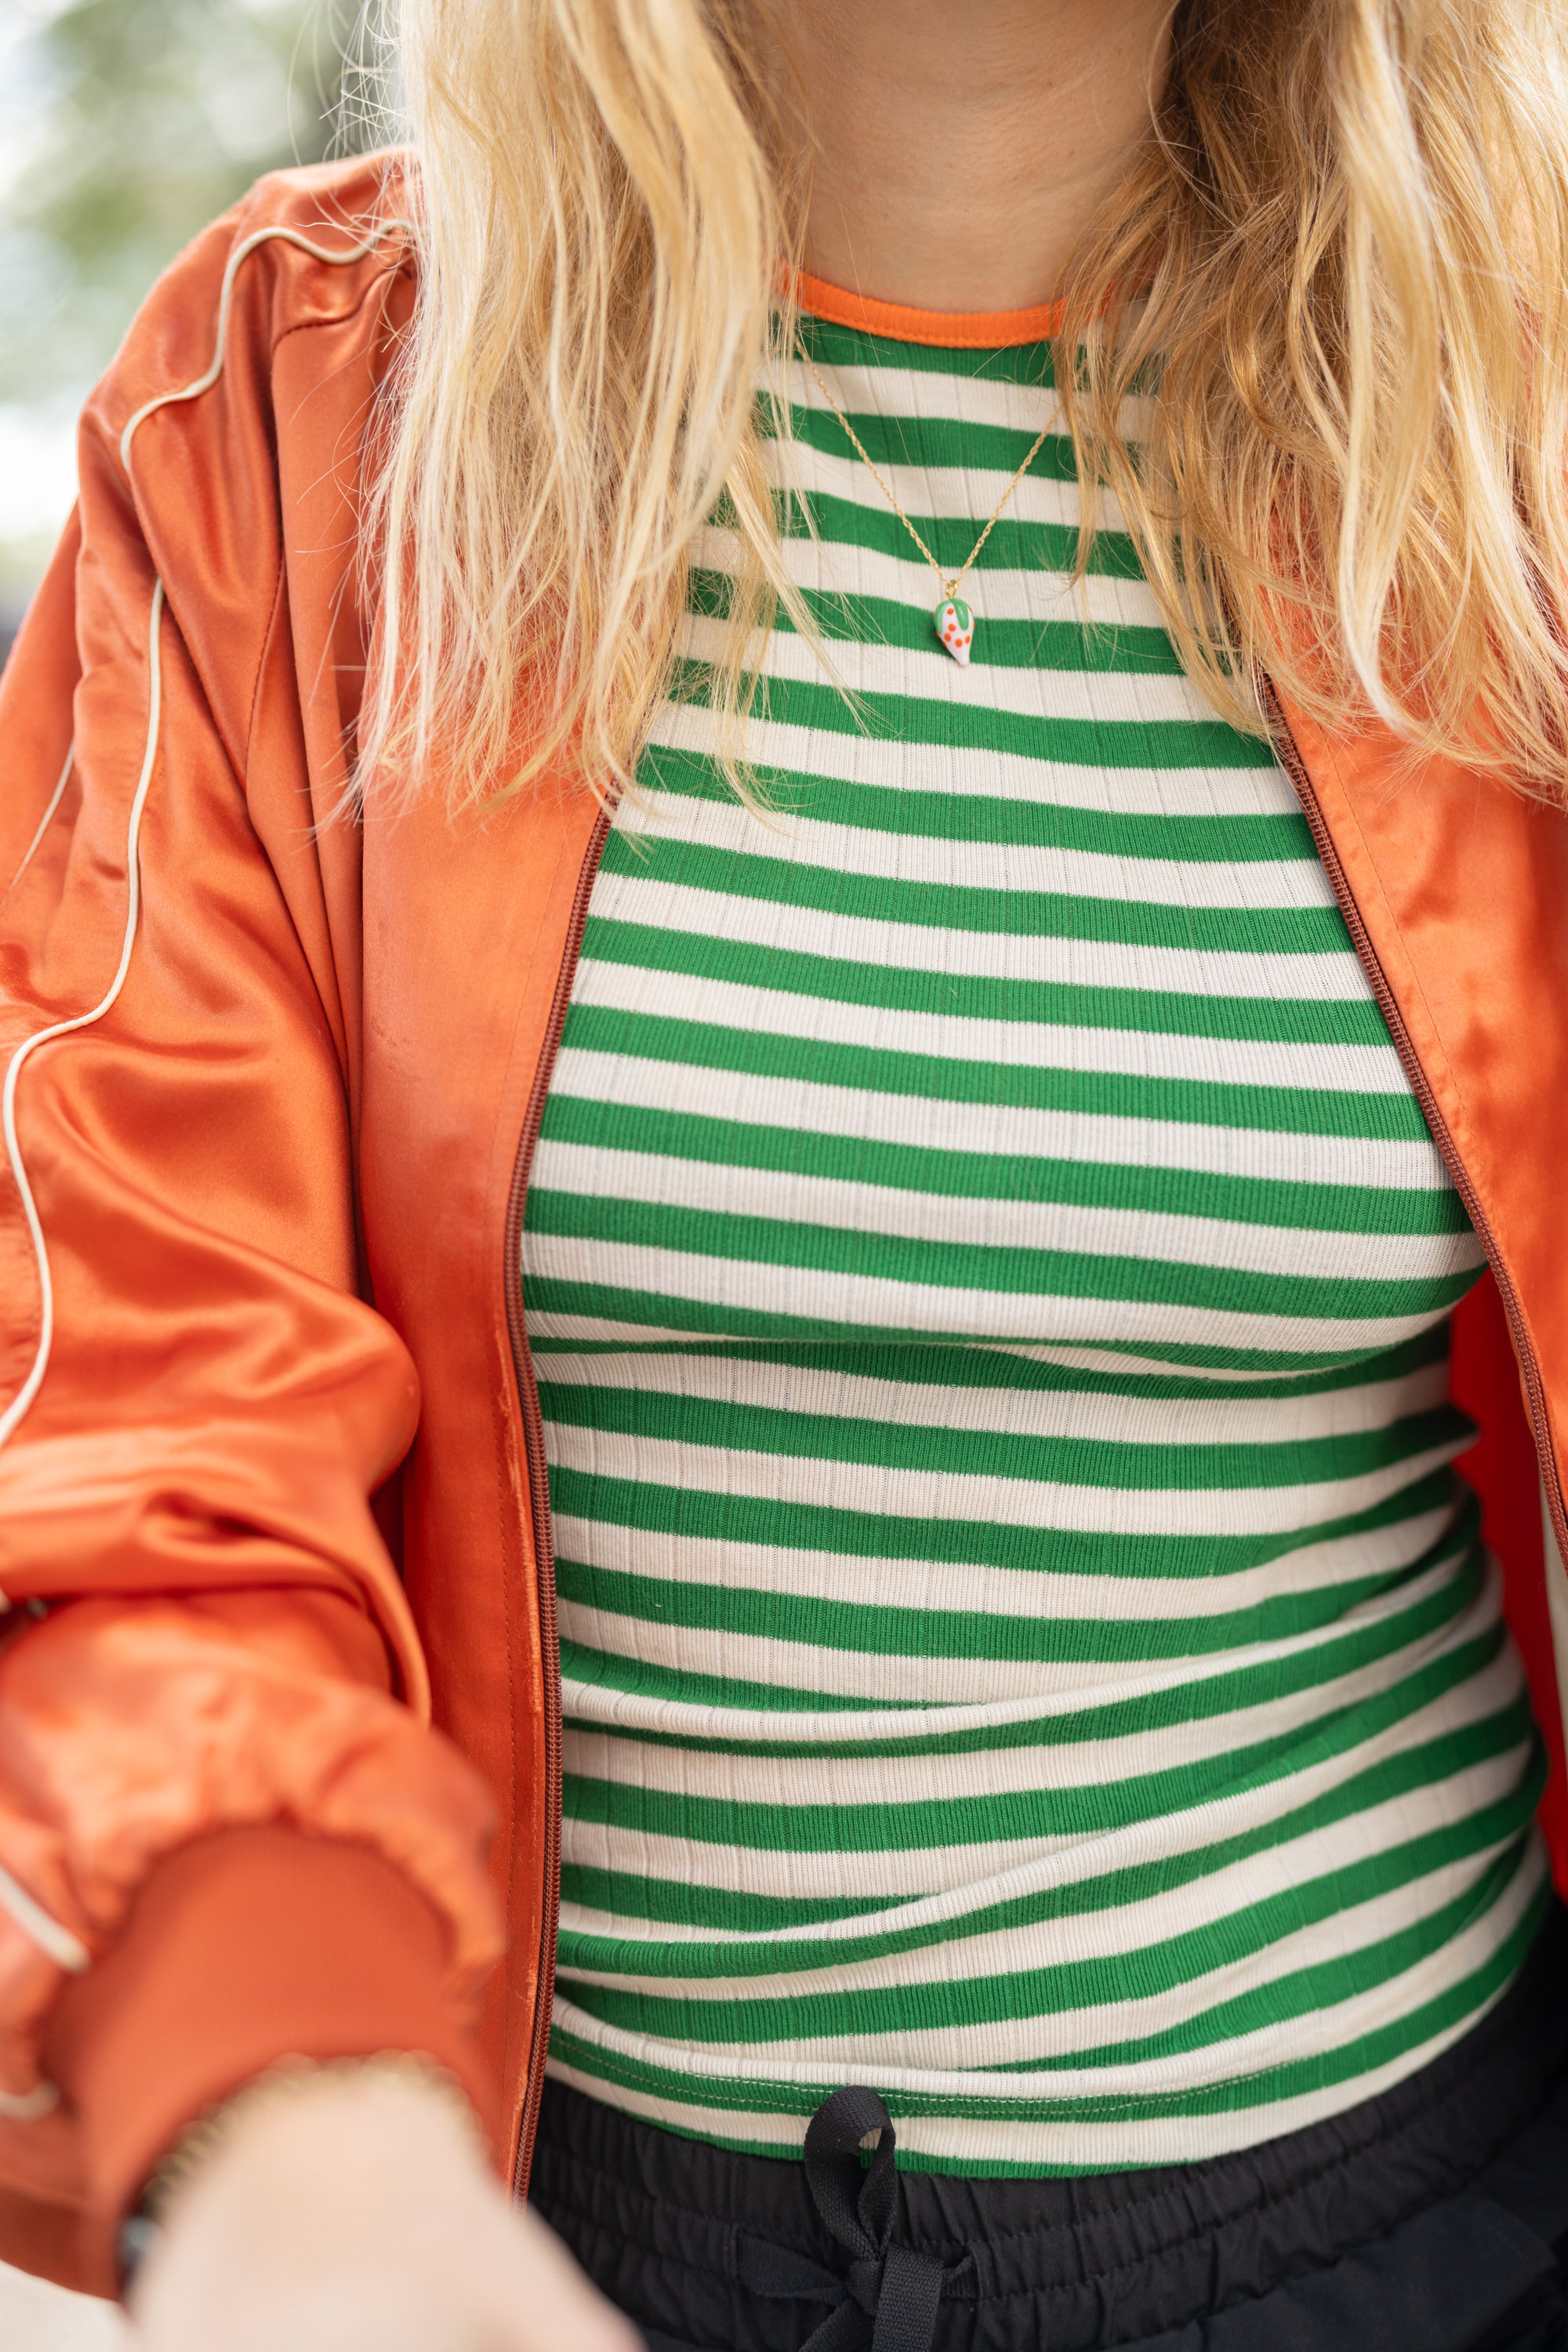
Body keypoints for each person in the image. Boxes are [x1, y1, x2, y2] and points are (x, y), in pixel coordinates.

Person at [2, 0, 1567, 2344]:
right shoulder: (281, 409)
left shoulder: (1515, 415)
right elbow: (117, 1400)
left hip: (1415, 2228)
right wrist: (292, 2111)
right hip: (533, 2232)